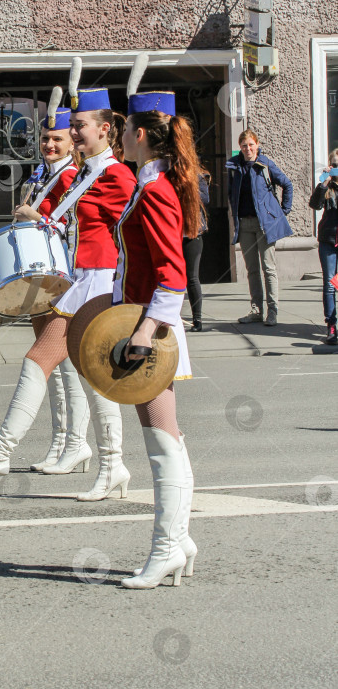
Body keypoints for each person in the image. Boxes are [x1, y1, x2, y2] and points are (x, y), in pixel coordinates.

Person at [0, 66, 135, 506]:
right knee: (94, 378)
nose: (71, 133)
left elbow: (124, 231)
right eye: (70, 126)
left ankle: (1, 452)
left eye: (78, 127)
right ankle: (111, 464)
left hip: (96, 281)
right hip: (74, 281)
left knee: (43, 359)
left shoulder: (117, 176)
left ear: (105, 129)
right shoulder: (88, 174)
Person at [109, 87, 203, 589]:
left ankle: (167, 547)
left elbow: (173, 274)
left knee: (162, 440)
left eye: (123, 129)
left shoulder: (157, 189)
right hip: (145, 325)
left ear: (140, 135)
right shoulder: (151, 183)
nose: (119, 136)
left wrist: (144, 332)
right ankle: (179, 541)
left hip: (152, 331)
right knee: (165, 437)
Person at [13, 103, 91, 476]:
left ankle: (76, 443)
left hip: (65, 278)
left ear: (71, 143)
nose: (49, 144)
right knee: (55, 370)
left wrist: (35, 217)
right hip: (43, 279)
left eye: (57, 139)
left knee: (67, 367)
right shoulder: (43, 175)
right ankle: (61, 441)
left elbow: (73, 231)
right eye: (45, 138)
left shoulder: (72, 178)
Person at [227, 129, 293, 326]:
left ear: (257, 145)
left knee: (268, 268)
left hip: (265, 225)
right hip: (245, 224)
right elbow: (231, 193)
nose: (248, 149)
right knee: (252, 269)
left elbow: (287, 184)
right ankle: (256, 310)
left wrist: (283, 211)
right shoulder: (235, 166)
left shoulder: (264, 164)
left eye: (251, 145)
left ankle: (272, 311)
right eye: (244, 145)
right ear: (240, 147)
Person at [309, 149, 338, 345]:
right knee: (329, 283)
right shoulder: (327, 187)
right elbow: (314, 205)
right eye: (334, 165)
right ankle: (331, 325)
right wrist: (325, 181)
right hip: (328, 240)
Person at [184, 172, 210, 332]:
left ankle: (197, 318)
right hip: (172, 233)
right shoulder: (165, 173)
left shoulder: (198, 176)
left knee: (192, 276)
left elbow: (205, 199)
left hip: (192, 232)